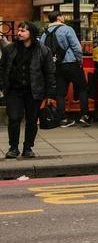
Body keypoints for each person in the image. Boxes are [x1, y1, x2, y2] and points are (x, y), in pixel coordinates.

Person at [0, 21, 56, 158]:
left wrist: (50, 94)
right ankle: (13, 148)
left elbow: (50, 73)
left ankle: (28, 148)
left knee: (32, 120)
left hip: (34, 91)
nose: (19, 33)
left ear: (31, 33)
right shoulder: (10, 49)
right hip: (14, 91)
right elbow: (1, 68)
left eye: (23, 30)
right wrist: (2, 85)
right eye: (19, 30)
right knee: (14, 118)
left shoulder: (43, 50)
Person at [42, 10, 90, 126]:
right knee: (83, 87)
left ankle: (63, 118)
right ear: (59, 17)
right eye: (62, 16)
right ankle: (84, 115)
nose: (63, 18)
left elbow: (42, 50)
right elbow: (76, 47)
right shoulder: (67, 29)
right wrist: (80, 60)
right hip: (71, 62)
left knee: (60, 93)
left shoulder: (45, 33)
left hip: (56, 66)